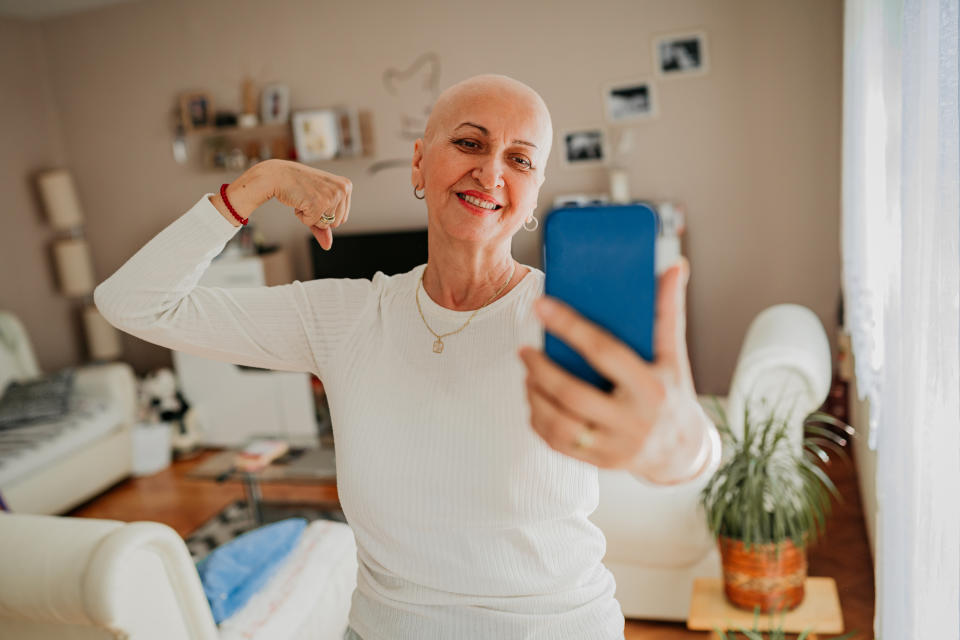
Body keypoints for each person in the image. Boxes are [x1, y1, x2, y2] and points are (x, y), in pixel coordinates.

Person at [95, 74, 721, 640]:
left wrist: (680, 445)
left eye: (520, 159)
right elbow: (133, 304)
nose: (491, 172)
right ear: (419, 164)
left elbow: (688, 450)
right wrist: (259, 184)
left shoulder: (569, 321)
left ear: (533, 197)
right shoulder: (342, 317)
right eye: (470, 144)